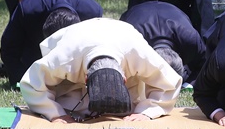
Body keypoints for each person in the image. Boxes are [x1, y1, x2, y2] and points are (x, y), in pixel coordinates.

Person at [20, 18, 182, 123]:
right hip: (78, 38)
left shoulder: (138, 54)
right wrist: (56, 113)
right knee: (69, 104)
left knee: (131, 108)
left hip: (121, 34)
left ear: (124, 78)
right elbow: (31, 84)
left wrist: (146, 112)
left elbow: (169, 83)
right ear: (85, 79)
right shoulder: (64, 58)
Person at [0, 0, 103, 86]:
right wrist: (22, 80)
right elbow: (9, 48)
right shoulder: (28, 9)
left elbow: (98, 51)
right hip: (34, 39)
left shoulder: (91, 13)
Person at [120, 1, 206, 85]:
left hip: (171, 12)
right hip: (136, 13)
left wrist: (189, 83)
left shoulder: (190, 39)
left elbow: (203, 64)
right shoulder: (132, 39)